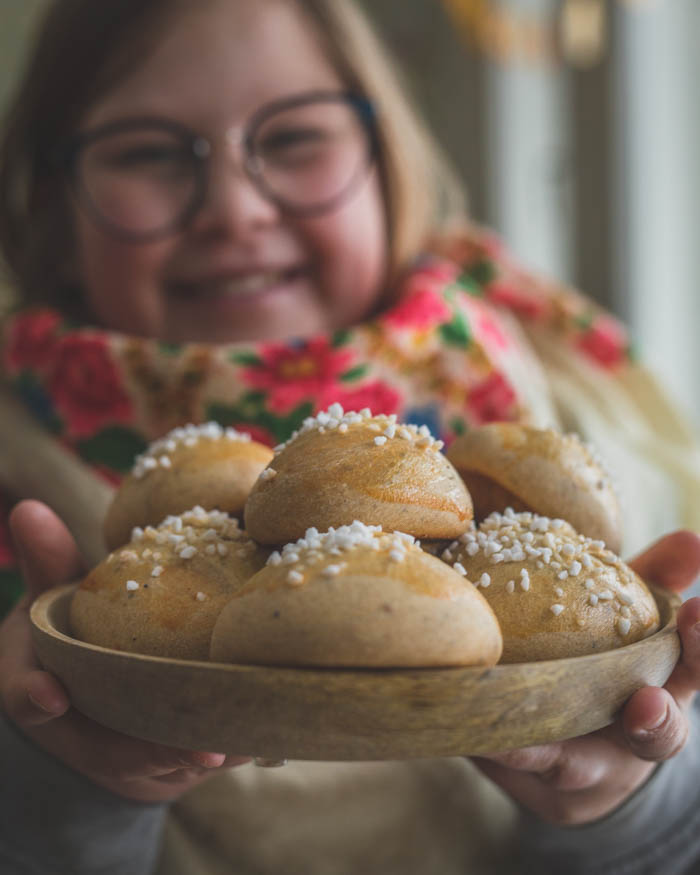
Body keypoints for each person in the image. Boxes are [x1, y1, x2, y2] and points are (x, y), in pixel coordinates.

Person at [0, 1, 699, 873]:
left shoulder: (567, 413)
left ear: (391, 163)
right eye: (146, 152)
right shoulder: (15, 470)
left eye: (294, 138)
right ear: (51, 208)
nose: (233, 208)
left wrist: (621, 807)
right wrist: (66, 792)